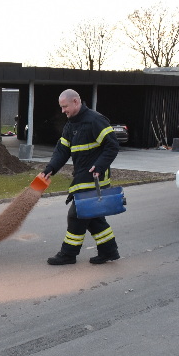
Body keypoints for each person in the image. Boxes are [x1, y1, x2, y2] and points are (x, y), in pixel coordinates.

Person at [39, 89, 120, 266]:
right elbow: (62, 151)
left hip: (94, 177)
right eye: (61, 107)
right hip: (82, 176)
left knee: (77, 214)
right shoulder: (70, 125)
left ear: (76, 102)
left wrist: (99, 165)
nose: (63, 111)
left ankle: (68, 254)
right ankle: (109, 251)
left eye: (65, 106)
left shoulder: (95, 120)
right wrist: (50, 169)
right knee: (93, 217)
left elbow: (112, 145)